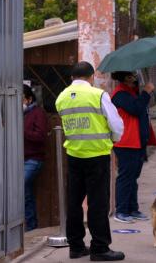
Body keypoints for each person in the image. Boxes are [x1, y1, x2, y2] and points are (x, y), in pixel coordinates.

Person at [55, 62, 125, 261]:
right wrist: (114, 140)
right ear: (91, 77)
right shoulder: (98, 95)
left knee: (74, 203)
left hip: (75, 156)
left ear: (72, 78)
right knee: (98, 203)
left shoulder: (61, 98)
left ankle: (76, 247)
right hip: (97, 156)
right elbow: (116, 124)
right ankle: (100, 248)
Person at [110, 72, 156, 224]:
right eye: (132, 75)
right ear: (126, 78)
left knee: (133, 177)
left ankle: (133, 208)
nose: (136, 77)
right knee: (126, 177)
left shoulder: (131, 92)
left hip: (138, 142)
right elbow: (136, 109)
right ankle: (122, 210)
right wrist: (146, 92)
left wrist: (143, 92)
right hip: (127, 142)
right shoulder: (120, 94)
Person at [23, 84, 48, 232]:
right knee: (25, 192)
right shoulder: (17, 113)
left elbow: (40, 136)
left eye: (21, 99)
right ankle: (28, 226)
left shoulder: (38, 113)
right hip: (17, 159)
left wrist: (21, 131)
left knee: (22, 186)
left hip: (33, 159)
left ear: (29, 99)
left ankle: (31, 226)